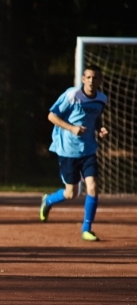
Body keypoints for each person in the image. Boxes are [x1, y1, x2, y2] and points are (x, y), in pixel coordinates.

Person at [39, 66, 109, 241]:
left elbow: (96, 118)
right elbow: (51, 116)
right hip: (68, 150)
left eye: (95, 78)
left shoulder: (102, 99)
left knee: (92, 186)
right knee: (71, 193)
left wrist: (100, 129)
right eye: (89, 77)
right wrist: (72, 128)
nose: (92, 81)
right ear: (83, 79)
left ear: (100, 80)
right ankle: (48, 201)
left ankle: (87, 229)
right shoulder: (72, 95)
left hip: (89, 150)